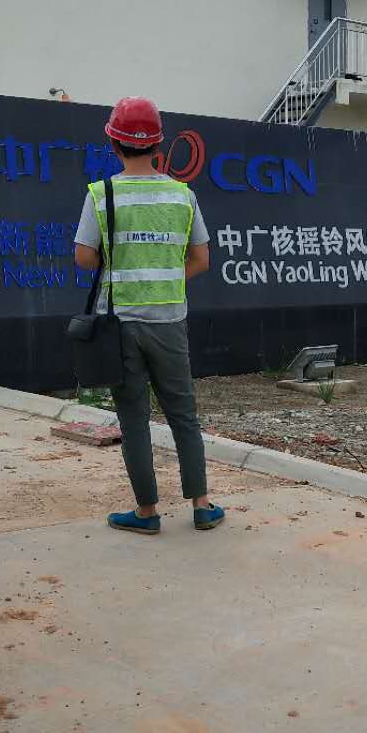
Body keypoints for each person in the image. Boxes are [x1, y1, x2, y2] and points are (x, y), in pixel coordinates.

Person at [73, 96, 225, 535]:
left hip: (118, 327)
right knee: (183, 415)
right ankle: (201, 505)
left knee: (134, 418)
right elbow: (201, 259)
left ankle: (146, 513)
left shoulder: (101, 195)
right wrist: (166, 280)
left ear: (114, 144)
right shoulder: (182, 195)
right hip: (169, 323)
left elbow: (84, 258)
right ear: (157, 145)